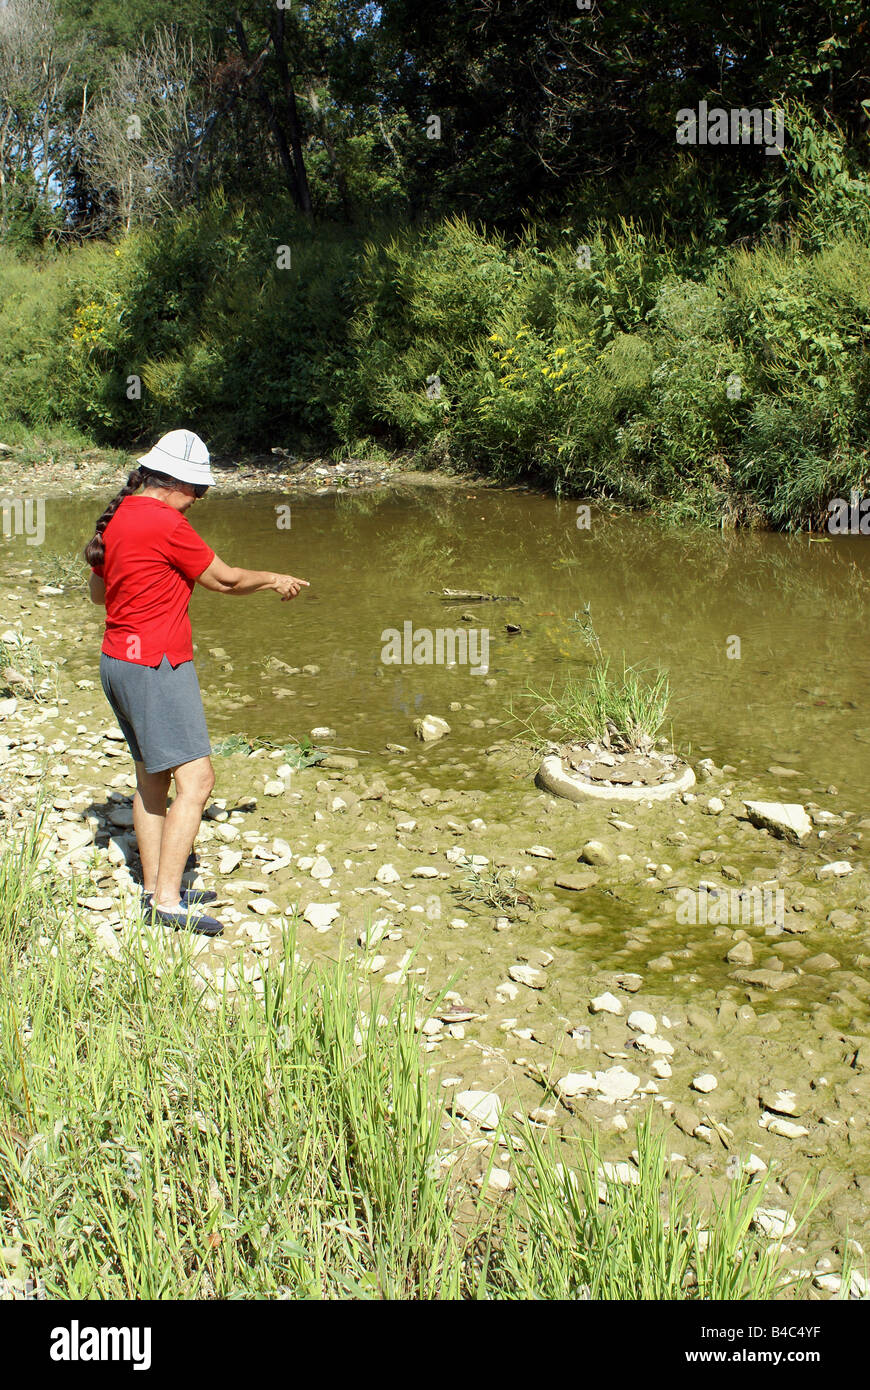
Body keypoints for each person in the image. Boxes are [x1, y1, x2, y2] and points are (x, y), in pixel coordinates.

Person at [84, 429, 308, 936]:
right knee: (198, 781)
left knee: (152, 778)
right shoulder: (164, 522)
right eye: (199, 492)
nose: (198, 501)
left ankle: (153, 887)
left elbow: (99, 596)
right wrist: (274, 578)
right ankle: (167, 901)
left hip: (118, 660)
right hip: (157, 666)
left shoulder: (117, 517)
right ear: (174, 483)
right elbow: (225, 581)